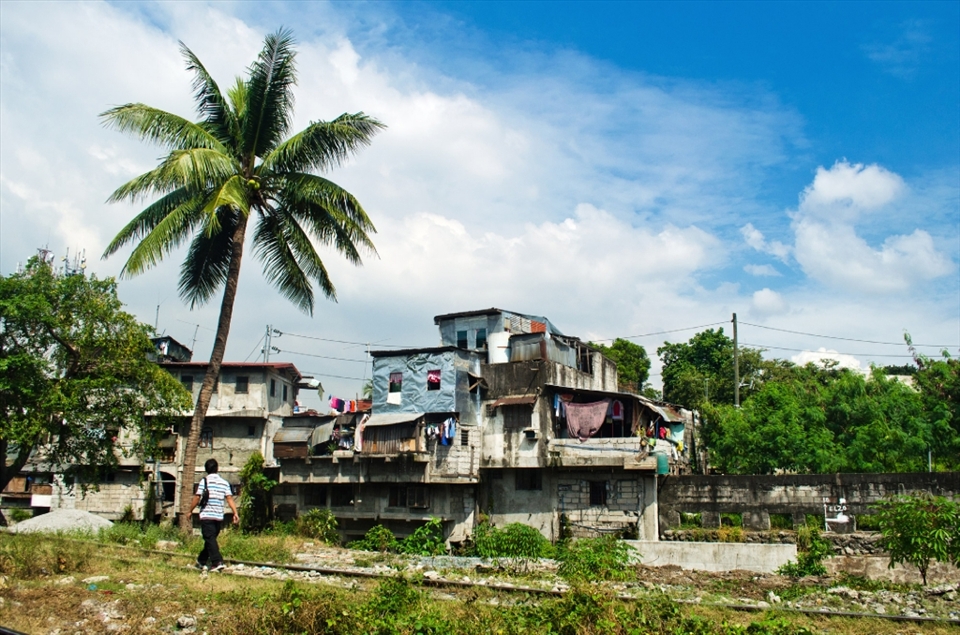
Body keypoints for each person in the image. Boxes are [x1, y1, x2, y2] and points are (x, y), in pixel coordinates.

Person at [190, 458, 239, 572]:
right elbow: (229, 498)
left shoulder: (204, 482)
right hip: (218, 516)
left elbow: (197, 497)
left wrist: (190, 510)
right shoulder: (224, 483)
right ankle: (201, 560)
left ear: (206, 469)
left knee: (210, 539)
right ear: (217, 469)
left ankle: (217, 562)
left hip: (207, 515)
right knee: (210, 539)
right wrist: (235, 512)